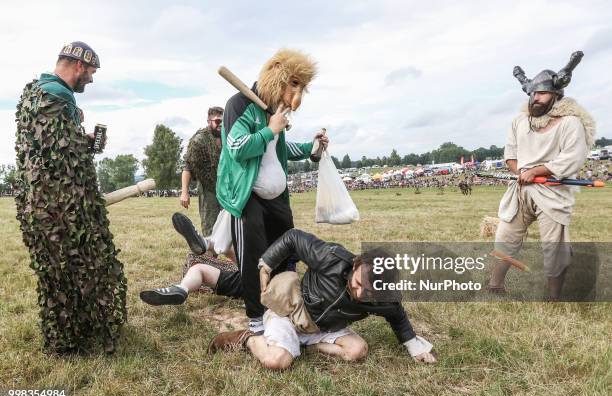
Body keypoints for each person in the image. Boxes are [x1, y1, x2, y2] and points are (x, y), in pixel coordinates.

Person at [140, 227, 436, 370]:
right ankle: (247, 338)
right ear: (356, 265)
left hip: (324, 327)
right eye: (358, 284)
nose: (359, 293)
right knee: (277, 361)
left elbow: (398, 315)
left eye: (367, 293)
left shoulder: (382, 297)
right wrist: (266, 264)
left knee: (357, 350)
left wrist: (414, 346)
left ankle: (302, 346)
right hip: (290, 310)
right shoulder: (332, 258)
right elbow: (294, 237)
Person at [14, 41, 126, 354]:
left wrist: (82, 138)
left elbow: (47, 147)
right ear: (78, 65)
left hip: (41, 204)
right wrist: (79, 140)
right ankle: (66, 344)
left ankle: (71, 336)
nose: (90, 79)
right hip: (60, 208)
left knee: (56, 273)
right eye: (89, 72)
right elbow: (57, 155)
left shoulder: (34, 92)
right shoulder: (57, 94)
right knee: (74, 270)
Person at [216, 49, 329, 333]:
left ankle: (283, 303)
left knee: (285, 251)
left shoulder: (273, 111)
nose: (296, 96)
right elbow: (237, 150)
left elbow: (277, 148)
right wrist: (269, 129)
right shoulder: (239, 104)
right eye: (293, 84)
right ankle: (255, 318)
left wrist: (311, 149)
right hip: (248, 196)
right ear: (277, 76)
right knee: (254, 257)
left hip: (277, 197)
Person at [489, 51, 594, 299]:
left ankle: (553, 298)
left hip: (552, 190)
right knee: (505, 238)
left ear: (556, 95)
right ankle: (494, 286)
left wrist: (537, 170)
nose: (535, 98)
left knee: (554, 248)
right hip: (520, 189)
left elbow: (572, 158)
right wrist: (521, 172)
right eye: (533, 93)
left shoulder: (571, 123)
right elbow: (510, 155)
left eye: (542, 93)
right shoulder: (519, 122)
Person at [180, 106, 224, 237]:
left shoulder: (229, 136)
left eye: (223, 121)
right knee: (211, 230)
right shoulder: (199, 140)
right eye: (217, 121)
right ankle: (210, 256)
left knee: (231, 229)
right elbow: (188, 167)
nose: (220, 124)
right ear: (209, 121)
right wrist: (184, 192)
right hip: (208, 189)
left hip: (227, 189)